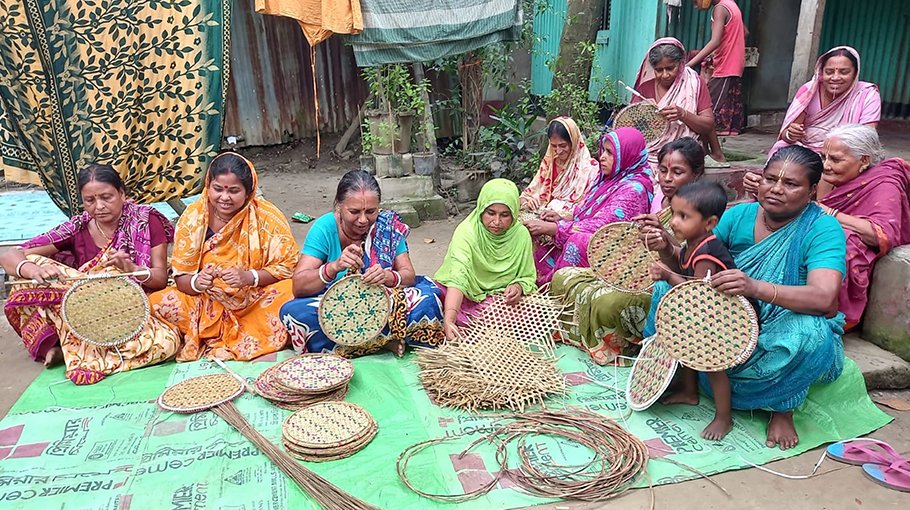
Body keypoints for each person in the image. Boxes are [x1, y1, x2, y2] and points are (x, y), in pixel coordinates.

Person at [646, 145, 847, 450]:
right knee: (666, 290)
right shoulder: (739, 215)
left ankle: (781, 405)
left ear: (812, 191)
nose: (776, 189)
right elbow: (693, 268)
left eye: (790, 184)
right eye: (769, 179)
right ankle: (685, 379)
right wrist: (665, 248)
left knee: (812, 333)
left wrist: (755, 288)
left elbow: (825, 299)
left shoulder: (822, 229)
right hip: (726, 323)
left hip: (780, 327)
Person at [1, 164, 179, 384]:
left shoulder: (145, 221)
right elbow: (10, 256)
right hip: (83, 309)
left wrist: (132, 270)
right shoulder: (78, 227)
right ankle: (71, 346)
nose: (99, 206)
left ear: (122, 194)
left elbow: (160, 279)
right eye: (90, 200)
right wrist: (36, 270)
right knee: (29, 269)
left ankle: (73, 350)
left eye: (107, 197)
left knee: (165, 345)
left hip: (129, 309)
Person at [149, 152, 299, 361]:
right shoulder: (193, 217)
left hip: (255, 298)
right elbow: (181, 277)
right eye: (218, 189)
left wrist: (250, 277)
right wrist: (197, 282)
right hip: (206, 301)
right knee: (157, 302)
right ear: (208, 186)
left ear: (248, 192)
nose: (224, 197)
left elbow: (288, 266)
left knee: (291, 292)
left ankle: (249, 335)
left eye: (234, 191)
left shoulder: (266, 215)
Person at [280, 171, 444, 356]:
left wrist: (388, 276)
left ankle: (360, 344)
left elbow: (408, 275)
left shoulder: (386, 225)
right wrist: (333, 267)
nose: (363, 220)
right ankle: (385, 340)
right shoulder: (324, 228)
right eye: (354, 212)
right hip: (340, 307)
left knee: (430, 297)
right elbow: (299, 286)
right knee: (293, 313)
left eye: (371, 211)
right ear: (339, 206)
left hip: (383, 302)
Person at [645, 181, 737, 440]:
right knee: (686, 350)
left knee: (712, 366)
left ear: (709, 223)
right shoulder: (692, 243)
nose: (674, 222)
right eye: (674, 213)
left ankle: (723, 418)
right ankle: (689, 392)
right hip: (702, 315)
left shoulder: (707, 251)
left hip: (722, 320)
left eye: (684, 216)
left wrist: (667, 274)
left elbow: (697, 291)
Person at [524, 127, 653, 285]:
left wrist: (554, 228)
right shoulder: (609, 178)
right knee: (536, 237)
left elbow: (603, 228)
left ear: (627, 155)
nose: (602, 157)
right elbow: (588, 210)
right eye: (603, 151)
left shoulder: (634, 190)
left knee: (577, 240)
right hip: (586, 233)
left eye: (610, 153)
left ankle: (554, 287)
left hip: (613, 250)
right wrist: (562, 217)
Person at [815, 124, 910, 331]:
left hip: (856, 242)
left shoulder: (885, 183)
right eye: (824, 157)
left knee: (845, 243)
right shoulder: (829, 176)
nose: (826, 165)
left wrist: (828, 213)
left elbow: (880, 234)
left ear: (864, 160)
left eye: (835, 159)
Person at [435, 179, 537, 341]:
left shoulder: (520, 235)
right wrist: (450, 319)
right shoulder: (467, 232)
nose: (497, 222)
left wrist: (518, 287)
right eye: (491, 213)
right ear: (481, 210)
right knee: (432, 300)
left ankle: (475, 327)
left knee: (529, 315)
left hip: (497, 300)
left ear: (514, 214)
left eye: (505, 215)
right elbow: (458, 276)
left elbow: (527, 275)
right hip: (462, 295)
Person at [767, 46, 881, 157]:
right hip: (804, 151)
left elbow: (867, 138)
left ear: (855, 74)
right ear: (821, 73)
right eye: (829, 72)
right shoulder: (809, 90)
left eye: (844, 72)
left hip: (844, 154)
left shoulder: (867, 94)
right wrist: (791, 134)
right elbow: (786, 135)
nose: (835, 77)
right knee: (781, 149)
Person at [632, 38, 726, 166]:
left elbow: (708, 125)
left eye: (670, 68)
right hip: (651, 151)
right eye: (659, 70)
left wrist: (683, 114)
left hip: (685, 150)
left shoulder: (694, 84)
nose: (665, 75)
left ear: (681, 64)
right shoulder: (645, 87)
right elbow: (631, 127)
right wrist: (648, 117)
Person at [520, 117, 600, 216]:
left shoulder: (590, 169)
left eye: (563, 146)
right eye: (554, 146)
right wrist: (527, 203)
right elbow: (526, 195)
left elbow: (588, 207)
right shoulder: (549, 164)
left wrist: (559, 212)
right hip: (539, 217)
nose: (558, 151)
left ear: (574, 142)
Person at [688, 0, 746, 137]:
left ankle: (712, 150)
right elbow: (744, 31)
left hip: (726, 65)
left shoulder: (720, 8)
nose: (696, 4)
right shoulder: (731, 4)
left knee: (707, 109)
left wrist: (689, 64)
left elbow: (715, 41)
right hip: (734, 63)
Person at [650, 138, 707, 215]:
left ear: (696, 174)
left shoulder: (699, 210)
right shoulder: (659, 199)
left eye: (677, 172)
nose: (667, 178)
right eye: (663, 171)